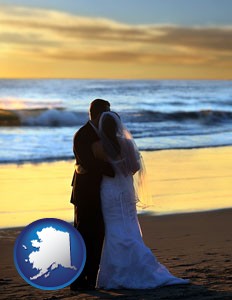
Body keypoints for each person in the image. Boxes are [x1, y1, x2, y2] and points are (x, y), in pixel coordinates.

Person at [92, 111, 189, 289]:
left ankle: (114, 274)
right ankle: (139, 264)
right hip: (126, 188)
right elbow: (135, 167)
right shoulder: (128, 144)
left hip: (109, 190)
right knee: (129, 225)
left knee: (113, 229)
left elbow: (96, 170)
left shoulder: (98, 146)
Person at [70, 99, 115, 291]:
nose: (108, 117)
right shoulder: (82, 135)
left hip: (100, 193)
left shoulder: (102, 133)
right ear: (96, 114)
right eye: (106, 113)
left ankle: (91, 278)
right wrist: (111, 170)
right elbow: (87, 163)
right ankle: (77, 280)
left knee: (97, 236)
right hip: (85, 194)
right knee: (82, 235)